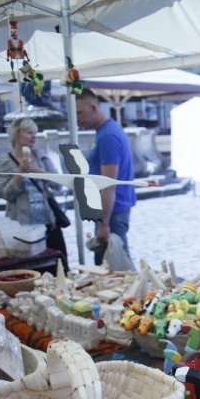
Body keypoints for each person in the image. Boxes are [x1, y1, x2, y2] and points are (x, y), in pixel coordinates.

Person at [0, 117, 69, 272]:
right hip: (23, 228)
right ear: (16, 134)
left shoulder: (41, 156)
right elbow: (5, 194)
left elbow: (58, 185)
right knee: (31, 272)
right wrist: (20, 174)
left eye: (35, 133)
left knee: (59, 268)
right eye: (29, 132)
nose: (34, 136)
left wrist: (39, 172)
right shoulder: (5, 161)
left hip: (48, 223)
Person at [76, 87, 135, 265]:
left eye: (80, 113)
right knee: (115, 266)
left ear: (94, 108)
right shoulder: (106, 131)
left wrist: (103, 225)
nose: (78, 119)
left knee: (113, 270)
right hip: (113, 210)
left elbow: (108, 186)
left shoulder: (108, 136)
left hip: (113, 212)